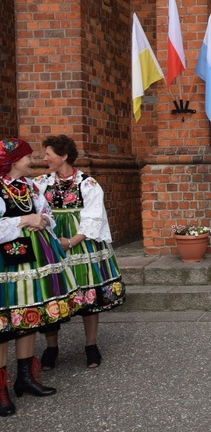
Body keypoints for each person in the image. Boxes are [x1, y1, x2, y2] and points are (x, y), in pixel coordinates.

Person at [0, 138, 83, 416]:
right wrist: (24, 221)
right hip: (6, 264)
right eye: (26, 158)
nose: (32, 161)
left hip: (34, 258)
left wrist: (44, 220)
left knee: (28, 316)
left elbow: (47, 213)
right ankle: (0, 390)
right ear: (12, 163)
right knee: (3, 326)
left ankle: (25, 377)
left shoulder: (31, 186)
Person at [35, 134, 126, 369]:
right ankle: (51, 348)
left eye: (48, 154)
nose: (44, 158)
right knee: (52, 293)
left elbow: (95, 216)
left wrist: (71, 241)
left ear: (63, 156)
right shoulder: (41, 183)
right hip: (52, 241)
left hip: (80, 241)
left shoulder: (88, 184)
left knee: (88, 293)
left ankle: (91, 345)